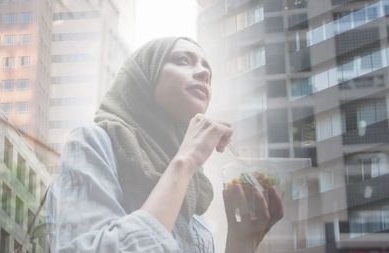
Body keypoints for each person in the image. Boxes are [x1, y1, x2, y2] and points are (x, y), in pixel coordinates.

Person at [46, 37, 283, 253]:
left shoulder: (194, 199)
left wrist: (241, 244)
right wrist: (187, 159)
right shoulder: (93, 144)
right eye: (183, 60)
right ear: (142, 77)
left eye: (207, 71)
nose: (202, 73)